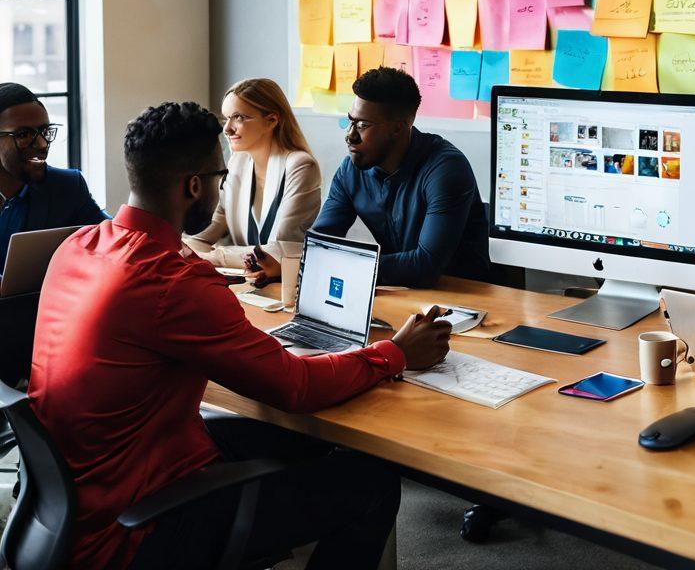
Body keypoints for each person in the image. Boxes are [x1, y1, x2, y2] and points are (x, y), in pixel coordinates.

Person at [28, 101, 451, 570]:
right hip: (133, 528)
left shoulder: (79, 245)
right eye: (219, 177)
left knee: (312, 444)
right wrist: (394, 354)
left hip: (90, 486)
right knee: (370, 482)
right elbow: (296, 386)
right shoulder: (173, 282)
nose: (222, 185)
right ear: (194, 185)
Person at [247, 67, 495, 287]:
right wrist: (287, 270)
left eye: (363, 125)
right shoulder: (351, 170)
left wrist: (341, 266)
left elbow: (425, 265)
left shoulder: (446, 169)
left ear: (398, 128)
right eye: (350, 122)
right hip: (400, 292)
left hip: (464, 300)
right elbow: (321, 246)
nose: (350, 136)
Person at [186, 78, 321, 267]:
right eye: (226, 118)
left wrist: (216, 255)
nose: (227, 129)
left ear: (272, 120)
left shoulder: (300, 166)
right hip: (246, 283)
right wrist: (195, 250)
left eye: (239, 117)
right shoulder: (237, 163)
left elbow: (280, 251)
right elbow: (202, 236)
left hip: (281, 287)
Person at [0, 82, 105, 270]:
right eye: (24, 134)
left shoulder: (68, 186)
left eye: (45, 131)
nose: (42, 144)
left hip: (45, 300)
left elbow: (112, 237)